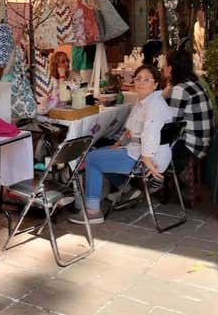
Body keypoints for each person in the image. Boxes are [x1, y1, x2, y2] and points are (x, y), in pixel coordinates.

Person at [70, 64, 172, 224]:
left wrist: (147, 159)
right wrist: (119, 143)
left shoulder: (154, 105)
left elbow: (151, 132)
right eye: (138, 78)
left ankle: (92, 211)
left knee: (92, 159)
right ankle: (128, 190)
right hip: (140, 151)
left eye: (146, 79)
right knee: (98, 152)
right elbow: (132, 130)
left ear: (156, 84)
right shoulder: (145, 101)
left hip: (146, 158)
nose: (141, 82)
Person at [161, 46, 214, 206]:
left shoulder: (180, 89)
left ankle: (159, 184)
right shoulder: (196, 83)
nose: (162, 68)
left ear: (171, 68)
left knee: (155, 143)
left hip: (192, 145)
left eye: (165, 65)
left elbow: (170, 123)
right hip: (205, 141)